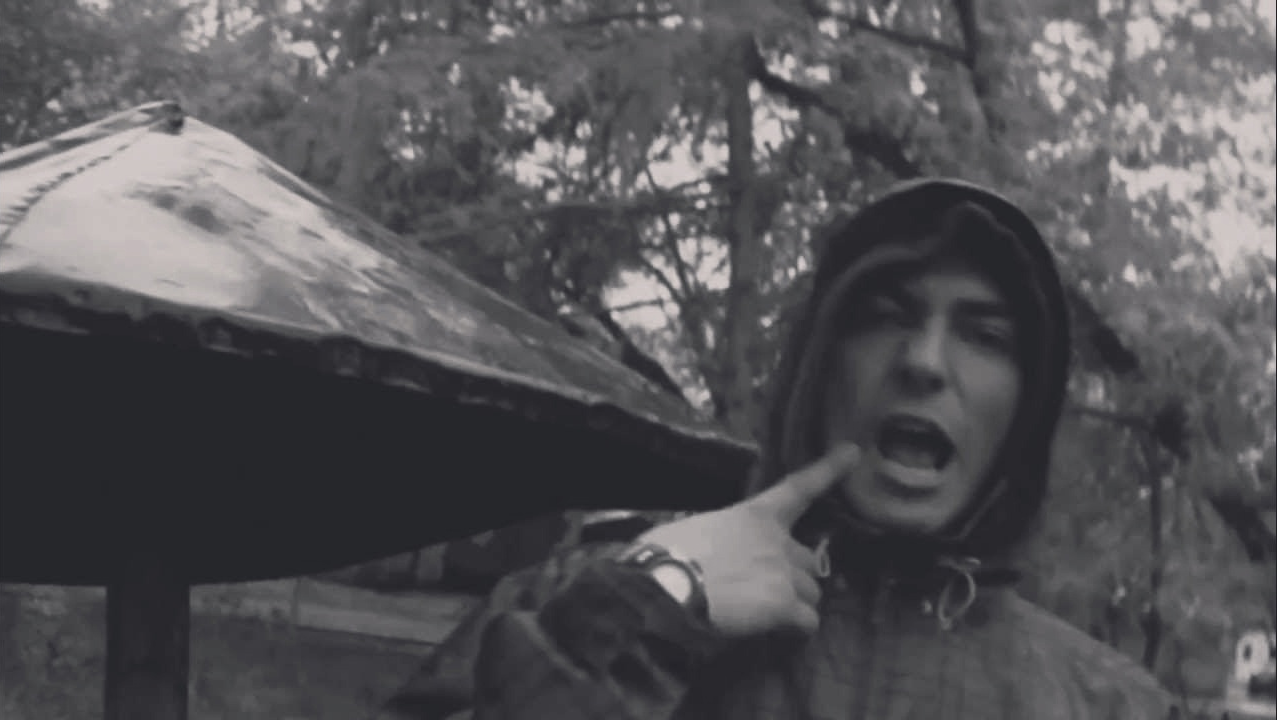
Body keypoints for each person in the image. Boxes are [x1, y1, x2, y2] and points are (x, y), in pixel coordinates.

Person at [376, 178, 1177, 720]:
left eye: (985, 335)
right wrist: (656, 604)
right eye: (886, 314)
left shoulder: (1108, 704)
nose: (925, 362)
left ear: (1026, 413)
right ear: (820, 364)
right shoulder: (577, 598)